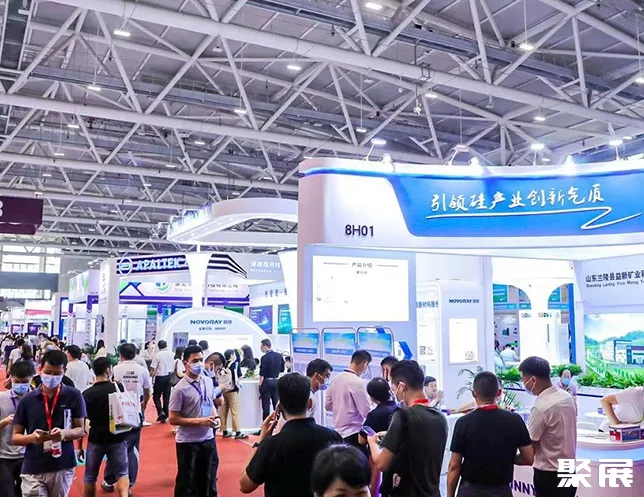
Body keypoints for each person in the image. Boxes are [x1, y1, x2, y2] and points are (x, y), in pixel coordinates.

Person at [240, 373, 342, 497]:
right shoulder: (333, 438)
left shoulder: (271, 445)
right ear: (310, 403)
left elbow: (245, 485)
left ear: (279, 407)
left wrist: (260, 441)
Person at [367, 360, 448, 497]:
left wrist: (372, 442)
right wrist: (391, 434)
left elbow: (382, 463)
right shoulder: (440, 417)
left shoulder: (403, 416)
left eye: (393, 389)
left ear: (401, 386)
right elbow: (420, 441)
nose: (394, 394)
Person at [12, 350, 86, 497]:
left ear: (64, 371)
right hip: (33, 466)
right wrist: (32, 438)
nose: (51, 377)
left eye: (57, 373)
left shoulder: (74, 395)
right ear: (40, 369)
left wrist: (64, 434)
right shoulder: (28, 400)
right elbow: (15, 437)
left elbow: (80, 429)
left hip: (62, 465)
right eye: (48, 372)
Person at [447, 371, 534, 497]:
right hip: (501, 491)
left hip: (470, 491)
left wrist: (450, 495)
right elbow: (528, 458)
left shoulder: (463, 422)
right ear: (499, 393)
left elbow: (454, 466)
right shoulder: (515, 420)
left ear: (474, 394)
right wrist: (506, 458)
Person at [519, 356, 577, 497]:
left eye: (523, 379)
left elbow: (530, 450)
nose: (523, 383)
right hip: (569, 470)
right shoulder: (566, 397)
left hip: (550, 475)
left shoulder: (541, 408)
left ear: (533, 380)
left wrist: (507, 457)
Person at [169, 345, 222, 497]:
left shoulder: (208, 381)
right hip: (188, 442)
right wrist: (200, 421)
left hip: (208, 438)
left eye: (201, 360)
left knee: (207, 480)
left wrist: (216, 417)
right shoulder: (179, 389)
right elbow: (173, 418)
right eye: (194, 361)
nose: (199, 364)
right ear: (185, 363)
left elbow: (210, 402)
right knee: (186, 483)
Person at [102, 343, 151, 493]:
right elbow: (148, 392)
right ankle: (128, 483)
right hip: (135, 413)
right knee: (132, 449)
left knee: (115, 446)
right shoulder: (142, 370)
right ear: (135, 354)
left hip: (117, 413)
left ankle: (110, 479)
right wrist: (143, 406)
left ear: (120, 354)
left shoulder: (115, 369)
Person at [80, 358, 129, 497]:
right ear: (108, 370)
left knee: (90, 476)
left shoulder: (87, 394)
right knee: (122, 473)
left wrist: (80, 445)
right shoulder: (117, 387)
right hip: (117, 435)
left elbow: (83, 421)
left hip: (95, 438)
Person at [0, 361, 35, 497]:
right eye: (17, 382)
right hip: (4, 456)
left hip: (29, 455)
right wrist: (4, 422)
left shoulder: (36, 399)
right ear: (11, 378)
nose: (20, 385)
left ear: (32, 378)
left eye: (25, 382)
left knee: (26, 493)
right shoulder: (1, 399)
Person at [325, 350, 372, 450]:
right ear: (365, 364)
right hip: (353, 434)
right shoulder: (357, 382)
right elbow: (366, 412)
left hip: (337, 434)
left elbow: (327, 406)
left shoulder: (335, 379)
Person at [358, 378, 398, 496]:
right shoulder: (399, 410)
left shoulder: (375, 415)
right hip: (398, 461)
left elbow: (361, 440)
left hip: (379, 461)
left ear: (372, 398)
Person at [220, 349, 248, 439]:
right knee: (235, 411)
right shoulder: (235, 364)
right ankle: (237, 431)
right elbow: (239, 376)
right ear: (232, 355)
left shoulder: (223, 365)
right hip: (233, 389)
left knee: (224, 410)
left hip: (224, 390)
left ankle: (224, 430)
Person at [258, 339, 285, 422]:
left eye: (261, 346)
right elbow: (282, 369)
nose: (261, 348)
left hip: (266, 382)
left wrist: (260, 384)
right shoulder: (279, 356)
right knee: (276, 404)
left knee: (266, 405)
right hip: (276, 381)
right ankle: (278, 423)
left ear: (265, 346)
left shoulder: (264, 358)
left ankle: (265, 424)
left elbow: (262, 373)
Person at [150, 340, 174, 423]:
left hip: (160, 377)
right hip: (169, 376)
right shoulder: (172, 354)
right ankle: (166, 414)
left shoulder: (158, 355)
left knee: (156, 396)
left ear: (158, 346)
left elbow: (153, 368)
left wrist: (151, 376)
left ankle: (160, 412)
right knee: (166, 397)